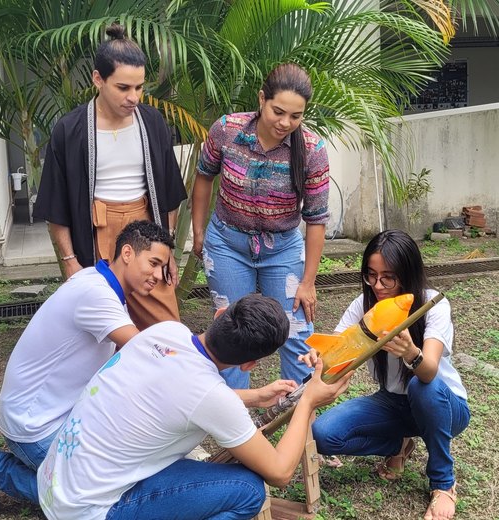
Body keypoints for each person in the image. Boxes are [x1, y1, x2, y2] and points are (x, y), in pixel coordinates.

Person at [36, 294, 352, 520]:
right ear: (249, 364)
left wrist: (254, 397)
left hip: (54, 482)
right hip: (88, 511)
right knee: (248, 490)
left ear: (220, 314)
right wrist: (308, 400)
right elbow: (280, 472)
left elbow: (177, 396)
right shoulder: (211, 396)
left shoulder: (166, 332)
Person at [0, 220, 173, 504]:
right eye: (153, 263)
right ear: (127, 253)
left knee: (123, 467)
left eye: (162, 267)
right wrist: (207, 344)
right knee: (97, 496)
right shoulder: (96, 295)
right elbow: (146, 350)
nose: (159, 275)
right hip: (33, 425)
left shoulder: (103, 284)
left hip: (61, 415)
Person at [301, 230, 469, 520]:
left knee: (421, 386)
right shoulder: (363, 306)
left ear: (407, 273)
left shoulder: (432, 304)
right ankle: (400, 445)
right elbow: (338, 347)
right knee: (323, 434)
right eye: (371, 275)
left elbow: (428, 371)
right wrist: (319, 358)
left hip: (444, 404)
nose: (378, 285)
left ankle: (443, 482)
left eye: (388, 277)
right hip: (392, 402)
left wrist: (410, 353)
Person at [32, 23, 188, 331]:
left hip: (147, 232)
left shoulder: (152, 123)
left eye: (139, 87)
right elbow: (56, 204)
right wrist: (70, 262)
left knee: (164, 328)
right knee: (102, 333)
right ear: (98, 79)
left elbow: (169, 193)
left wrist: (166, 249)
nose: (134, 97)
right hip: (97, 234)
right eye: (123, 88)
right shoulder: (70, 129)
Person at [191, 63, 330, 389]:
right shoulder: (227, 131)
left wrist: (308, 281)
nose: (285, 123)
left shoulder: (312, 150)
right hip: (227, 244)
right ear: (262, 99)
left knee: (297, 332)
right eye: (278, 111)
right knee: (231, 332)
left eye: (295, 116)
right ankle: (235, 421)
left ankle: (300, 417)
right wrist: (198, 232)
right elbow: (203, 176)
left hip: (282, 248)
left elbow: (316, 219)